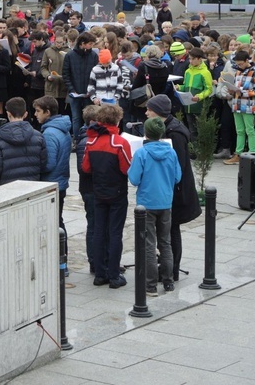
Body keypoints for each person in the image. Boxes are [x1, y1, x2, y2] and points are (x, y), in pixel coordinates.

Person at [145, 94, 201, 281]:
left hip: (176, 190)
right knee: (167, 231)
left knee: (171, 230)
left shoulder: (175, 133)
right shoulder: (166, 127)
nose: (146, 112)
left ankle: (172, 270)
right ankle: (167, 268)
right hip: (169, 189)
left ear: (158, 112)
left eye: (149, 110)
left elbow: (178, 165)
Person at [128, 117, 182, 296]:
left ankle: (150, 285)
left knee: (149, 245)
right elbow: (177, 177)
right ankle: (168, 282)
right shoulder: (171, 153)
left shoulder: (142, 154)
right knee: (165, 242)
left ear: (146, 133)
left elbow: (134, 179)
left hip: (146, 204)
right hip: (166, 202)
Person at [81, 104, 132, 289]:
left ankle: (100, 274)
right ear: (117, 120)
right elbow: (127, 168)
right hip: (117, 193)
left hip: (98, 192)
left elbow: (85, 168)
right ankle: (113, 275)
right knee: (115, 233)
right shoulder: (120, 142)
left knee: (99, 232)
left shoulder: (91, 142)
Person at [34, 96, 73, 271]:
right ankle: (62, 262)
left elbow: (48, 163)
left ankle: (60, 263)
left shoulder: (49, 133)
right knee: (58, 222)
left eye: (38, 111)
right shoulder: (62, 128)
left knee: (54, 224)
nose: (35, 114)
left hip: (51, 183)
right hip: (61, 182)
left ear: (47, 112)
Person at [0, 97, 47, 186]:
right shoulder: (39, 136)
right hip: (32, 186)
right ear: (25, 114)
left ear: (8, 114)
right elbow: (43, 165)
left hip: (7, 187)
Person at [224, 49, 255, 165]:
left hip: (249, 106)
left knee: (250, 130)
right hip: (237, 105)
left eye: (241, 63)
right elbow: (236, 86)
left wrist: (242, 92)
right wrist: (231, 91)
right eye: (237, 64)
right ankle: (238, 154)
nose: (239, 66)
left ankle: (252, 154)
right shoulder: (238, 72)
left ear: (247, 60)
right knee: (239, 131)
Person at [76, 105, 100, 274]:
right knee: (93, 224)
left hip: (93, 188)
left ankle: (99, 259)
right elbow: (82, 168)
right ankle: (94, 261)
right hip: (90, 189)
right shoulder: (86, 140)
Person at [63, 32, 98, 138]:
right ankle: (77, 139)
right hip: (75, 93)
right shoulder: (70, 55)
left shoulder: (93, 55)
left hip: (89, 93)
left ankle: (90, 138)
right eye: (90, 44)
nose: (92, 46)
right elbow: (66, 74)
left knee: (90, 118)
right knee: (76, 118)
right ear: (83, 43)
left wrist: (92, 91)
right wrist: (72, 90)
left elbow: (96, 74)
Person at [174, 48, 213, 143]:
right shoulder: (188, 71)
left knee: (199, 129)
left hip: (199, 105)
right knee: (191, 129)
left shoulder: (205, 72)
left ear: (199, 59)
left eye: (192, 59)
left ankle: (200, 149)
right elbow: (186, 86)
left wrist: (199, 96)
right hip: (188, 105)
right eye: (189, 59)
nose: (190, 61)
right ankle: (194, 150)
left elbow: (209, 89)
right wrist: (179, 87)